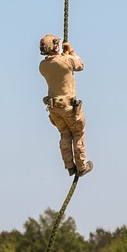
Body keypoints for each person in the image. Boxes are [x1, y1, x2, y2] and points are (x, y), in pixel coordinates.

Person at [39, 34, 93, 176]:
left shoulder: (42, 66)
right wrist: (71, 52)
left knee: (65, 134)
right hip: (68, 107)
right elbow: (80, 65)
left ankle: (69, 166)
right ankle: (81, 167)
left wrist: (63, 55)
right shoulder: (65, 61)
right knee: (77, 134)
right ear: (55, 46)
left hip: (54, 108)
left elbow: (58, 65)